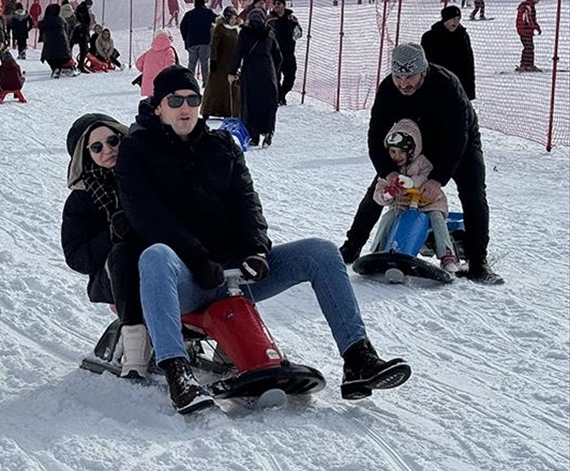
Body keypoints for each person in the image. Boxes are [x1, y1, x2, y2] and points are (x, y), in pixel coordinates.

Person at [115, 65, 412, 414]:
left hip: (236, 276)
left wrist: (256, 250)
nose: (185, 107)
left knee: (321, 252)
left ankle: (358, 358)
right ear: (157, 107)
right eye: (175, 100)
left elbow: (246, 203)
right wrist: (197, 260)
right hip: (186, 280)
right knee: (155, 255)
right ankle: (179, 374)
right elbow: (148, 218)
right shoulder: (137, 149)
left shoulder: (221, 145)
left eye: (192, 99)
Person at [339, 43, 502, 284]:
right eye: (398, 77)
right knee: (379, 188)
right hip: (415, 141)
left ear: (423, 71)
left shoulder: (447, 85)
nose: (404, 84)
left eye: (410, 77)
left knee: (473, 191)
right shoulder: (388, 89)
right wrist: (389, 171)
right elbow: (375, 137)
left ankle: (478, 263)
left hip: (460, 140)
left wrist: (437, 179)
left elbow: (457, 138)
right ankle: (351, 247)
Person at [61, 114, 151, 378]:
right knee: (125, 257)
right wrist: (112, 233)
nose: (108, 150)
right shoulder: (81, 200)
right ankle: (135, 343)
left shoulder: (142, 179)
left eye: (113, 141)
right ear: (85, 154)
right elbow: (76, 257)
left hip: (155, 259)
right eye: (97, 147)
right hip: (111, 275)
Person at [369, 120, 459, 273]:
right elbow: (378, 195)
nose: (397, 156)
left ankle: (446, 255)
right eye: (393, 152)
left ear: (411, 151)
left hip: (429, 203)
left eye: (401, 152)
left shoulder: (422, 163)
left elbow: (427, 176)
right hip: (403, 206)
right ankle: (378, 251)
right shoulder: (388, 170)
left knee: (437, 218)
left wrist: (411, 182)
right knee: (388, 218)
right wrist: (388, 194)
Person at [229, 7, 281, 147]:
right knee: (268, 102)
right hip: (267, 72)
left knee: (250, 103)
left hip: (250, 72)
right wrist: (274, 72)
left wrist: (233, 72)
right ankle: (269, 131)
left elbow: (238, 55)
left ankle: (254, 136)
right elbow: (279, 57)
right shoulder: (269, 33)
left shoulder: (244, 34)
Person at [421, 5, 475, 100]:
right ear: (445, 19)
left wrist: (470, 90)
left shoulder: (463, 36)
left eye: (458, 18)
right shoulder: (430, 37)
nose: (456, 21)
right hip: (437, 86)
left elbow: (469, 63)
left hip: (459, 85)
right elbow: (424, 64)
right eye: (453, 18)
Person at [202, 7, 241, 119]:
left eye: (235, 17)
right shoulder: (220, 28)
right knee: (215, 87)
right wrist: (213, 60)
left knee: (231, 88)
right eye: (233, 17)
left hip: (232, 63)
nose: (234, 19)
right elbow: (214, 45)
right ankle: (208, 110)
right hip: (220, 63)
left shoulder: (236, 29)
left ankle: (229, 111)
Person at [267, 0, 300, 106]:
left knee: (290, 78)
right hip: (274, 54)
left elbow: (298, 33)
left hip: (289, 54)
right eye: (275, 4)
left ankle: (282, 94)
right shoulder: (270, 20)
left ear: (284, 5)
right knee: (275, 78)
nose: (276, 6)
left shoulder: (291, 19)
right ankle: (278, 98)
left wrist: (296, 26)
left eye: (279, 4)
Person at [179, 0, 216, 83]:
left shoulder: (188, 14)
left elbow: (182, 27)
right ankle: (206, 82)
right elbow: (217, 20)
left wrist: (186, 39)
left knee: (192, 63)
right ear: (203, 4)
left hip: (191, 42)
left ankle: (189, 81)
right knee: (204, 63)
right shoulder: (208, 13)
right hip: (205, 42)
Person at [134, 31, 177, 98]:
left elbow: (138, 63)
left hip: (148, 83)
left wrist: (145, 71)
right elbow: (170, 66)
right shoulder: (169, 51)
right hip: (162, 82)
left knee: (151, 103)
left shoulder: (150, 51)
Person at [38, 3, 73, 77]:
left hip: (50, 42)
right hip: (62, 42)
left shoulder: (47, 19)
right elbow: (67, 30)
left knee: (50, 57)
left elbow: (40, 26)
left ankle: (55, 68)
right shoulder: (61, 19)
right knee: (62, 56)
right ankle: (63, 68)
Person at [515, 0, 541, 73]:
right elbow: (529, 20)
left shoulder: (528, 6)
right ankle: (528, 65)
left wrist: (537, 27)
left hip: (524, 30)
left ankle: (524, 64)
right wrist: (535, 27)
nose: (539, 0)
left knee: (527, 47)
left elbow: (532, 19)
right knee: (529, 47)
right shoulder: (528, 7)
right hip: (525, 30)